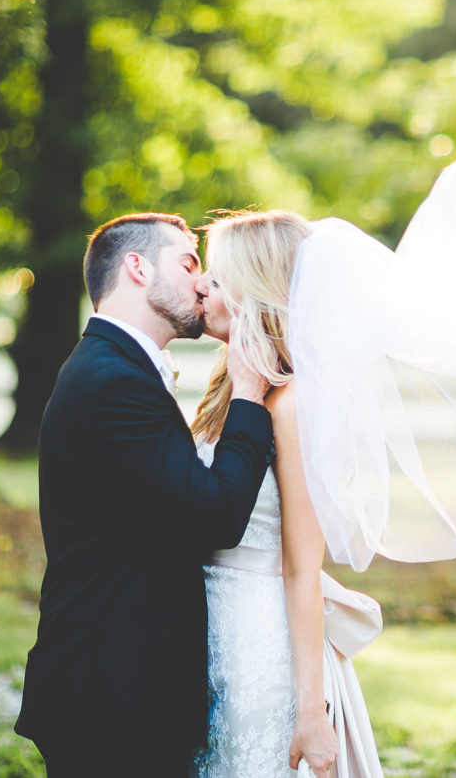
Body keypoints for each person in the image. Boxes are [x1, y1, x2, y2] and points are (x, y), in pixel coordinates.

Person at [14, 213, 276, 778]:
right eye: (188, 263)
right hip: (112, 696)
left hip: (119, 685)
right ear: (137, 267)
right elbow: (217, 516)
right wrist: (248, 396)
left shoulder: (115, 366)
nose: (202, 282)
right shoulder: (115, 381)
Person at [190, 210, 384, 778]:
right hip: (212, 629)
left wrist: (310, 710)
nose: (200, 286)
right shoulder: (234, 387)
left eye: (216, 278)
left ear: (254, 293)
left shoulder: (296, 404)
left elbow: (302, 565)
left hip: (261, 640)